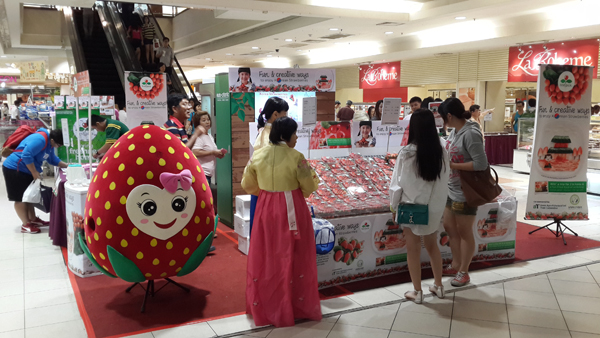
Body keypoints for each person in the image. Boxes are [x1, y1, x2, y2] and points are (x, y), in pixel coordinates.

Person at [241, 116, 321, 327]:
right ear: (287, 135)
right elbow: (310, 186)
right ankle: (294, 305)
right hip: (292, 206)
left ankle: (267, 305)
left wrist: (265, 193)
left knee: (267, 253)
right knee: (294, 253)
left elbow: (247, 184)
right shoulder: (297, 157)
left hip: (266, 206)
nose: (296, 137)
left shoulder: (257, 156)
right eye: (295, 133)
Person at [390, 108, 449, 303]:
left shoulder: (406, 153)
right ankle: (439, 286)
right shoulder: (441, 152)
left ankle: (417, 291)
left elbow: (397, 185)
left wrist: (393, 207)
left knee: (413, 249)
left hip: (411, 208)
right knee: (433, 246)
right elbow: (444, 181)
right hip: (433, 207)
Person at [439, 98, 489, 287]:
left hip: (466, 191)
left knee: (464, 231)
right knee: (449, 227)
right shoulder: (454, 131)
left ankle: (464, 271)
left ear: (449, 116)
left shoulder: (471, 133)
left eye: (444, 117)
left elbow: (480, 164)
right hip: (451, 188)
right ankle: (456, 263)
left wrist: (452, 165)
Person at [2, 129, 68, 233]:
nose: (57, 147)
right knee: (19, 198)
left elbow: (52, 159)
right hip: (15, 168)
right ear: (52, 140)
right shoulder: (40, 139)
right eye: (58, 145)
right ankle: (25, 224)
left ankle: (33, 219)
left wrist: (67, 166)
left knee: (28, 195)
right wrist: (34, 172)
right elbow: (26, 155)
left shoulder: (49, 144)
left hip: (26, 170)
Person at [249, 97, 289, 235]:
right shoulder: (268, 137)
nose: (287, 117)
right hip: (268, 189)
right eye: (285, 113)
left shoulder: (266, 132)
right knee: (266, 231)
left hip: (263, 187)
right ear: (276, 114)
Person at [191, 111, 225, 185]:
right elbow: (195, 152)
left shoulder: (209, 135)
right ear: (198, 123)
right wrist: (212, 152)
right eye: (203, 120)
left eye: (208, 119)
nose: (207, 122)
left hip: (209, 174)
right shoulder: (199, 137)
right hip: (202, 173)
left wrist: (218, 153)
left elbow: (210, 151)